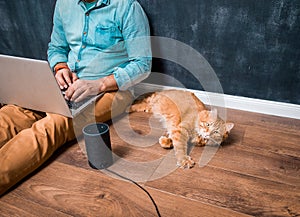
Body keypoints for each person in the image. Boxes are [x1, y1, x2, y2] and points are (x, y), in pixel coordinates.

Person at [0, 0, 151, 196]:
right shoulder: (64, 4)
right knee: (12, 113)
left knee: (54, 124)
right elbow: (56, 48)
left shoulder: (128, 7)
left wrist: (100, 84)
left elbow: (142, 65)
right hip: (67, 85)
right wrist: (60, 67)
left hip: (112, 90)